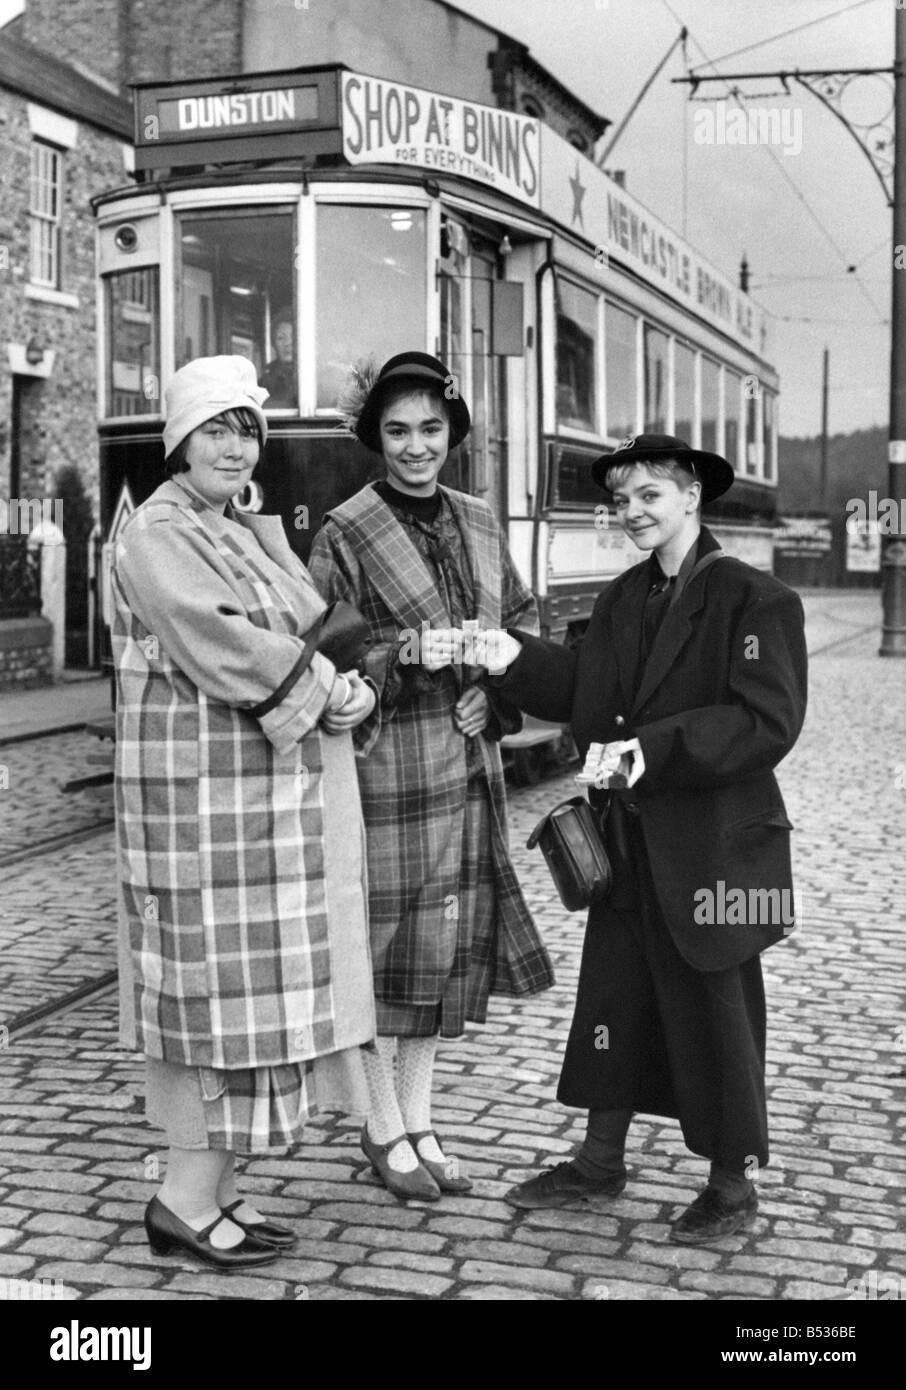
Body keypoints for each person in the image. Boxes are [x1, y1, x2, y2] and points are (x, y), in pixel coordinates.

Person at [473, 434, 807, 1244]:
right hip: (628, 844)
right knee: (615, 996)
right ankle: (598, 1161)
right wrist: (510, 657)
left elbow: (767, 722)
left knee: (718, 1008)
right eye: (623, 501)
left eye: (650, 496)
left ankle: (732, 1186)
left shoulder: (754, 599)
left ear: (693, 496)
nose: (633, 513)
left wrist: (653, 749)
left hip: (716, 848)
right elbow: (587, 693)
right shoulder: (626, 597)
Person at [111, 355, 376, 1269]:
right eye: (215, 428)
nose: (234, 444)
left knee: (246, 1011)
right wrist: (321, 686)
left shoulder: (235, 525)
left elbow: (313, 624)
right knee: (209, 1011)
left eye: (246, 429)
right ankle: (182, 1201)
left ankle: (216, 1194)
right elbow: (223, 643)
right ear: (180, 442)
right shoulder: (159, 532)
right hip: (200, 817)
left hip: (256, 814)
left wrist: (352, 690)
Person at [307, 351, 554, 1201]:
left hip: (467, 766)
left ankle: (419, 1118)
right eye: (398, 431)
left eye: (431, 431)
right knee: (384, 956)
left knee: (439, 957)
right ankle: (382, 1128)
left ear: (454, 435)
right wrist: (400, 656)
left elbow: (522, 622)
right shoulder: (345, 530)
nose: (416, 447)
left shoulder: (482, 523)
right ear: (376, 437)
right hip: (386, 771)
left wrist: (499, 692)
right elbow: (319, 655)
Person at [259, 308, 297, 408]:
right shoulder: (263, 384)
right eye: (281, 338)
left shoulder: (314, 377)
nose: (288, 343)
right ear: (273, 344)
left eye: (294, 337)